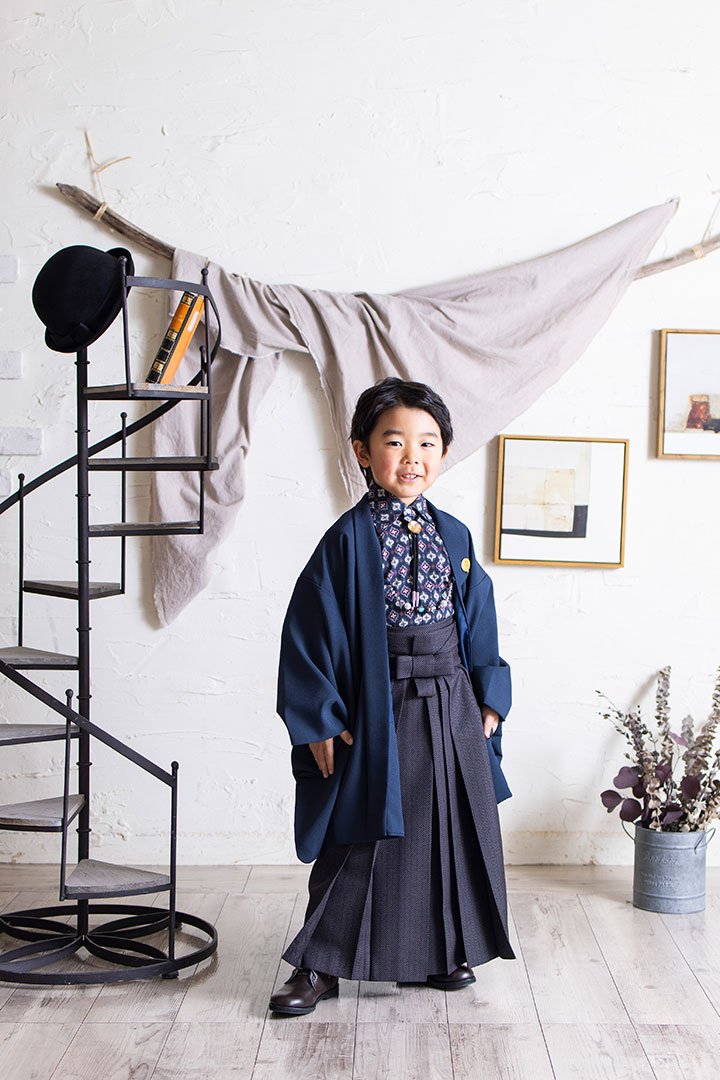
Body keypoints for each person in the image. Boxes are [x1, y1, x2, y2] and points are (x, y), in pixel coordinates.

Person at [269, 377, 516, 1015]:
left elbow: (480, 621)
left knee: (446, 829)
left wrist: (489, 697)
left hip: (451, 702)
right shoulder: (347, 540)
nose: (413, 457)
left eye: (428, 443)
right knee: (360, 834)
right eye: (395, 441)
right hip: (378, 704)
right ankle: (320, 964)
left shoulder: (454, 536)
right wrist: (320, 720)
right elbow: (308, 630)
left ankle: (438, 951)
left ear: (445, 452)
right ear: (362, 450)